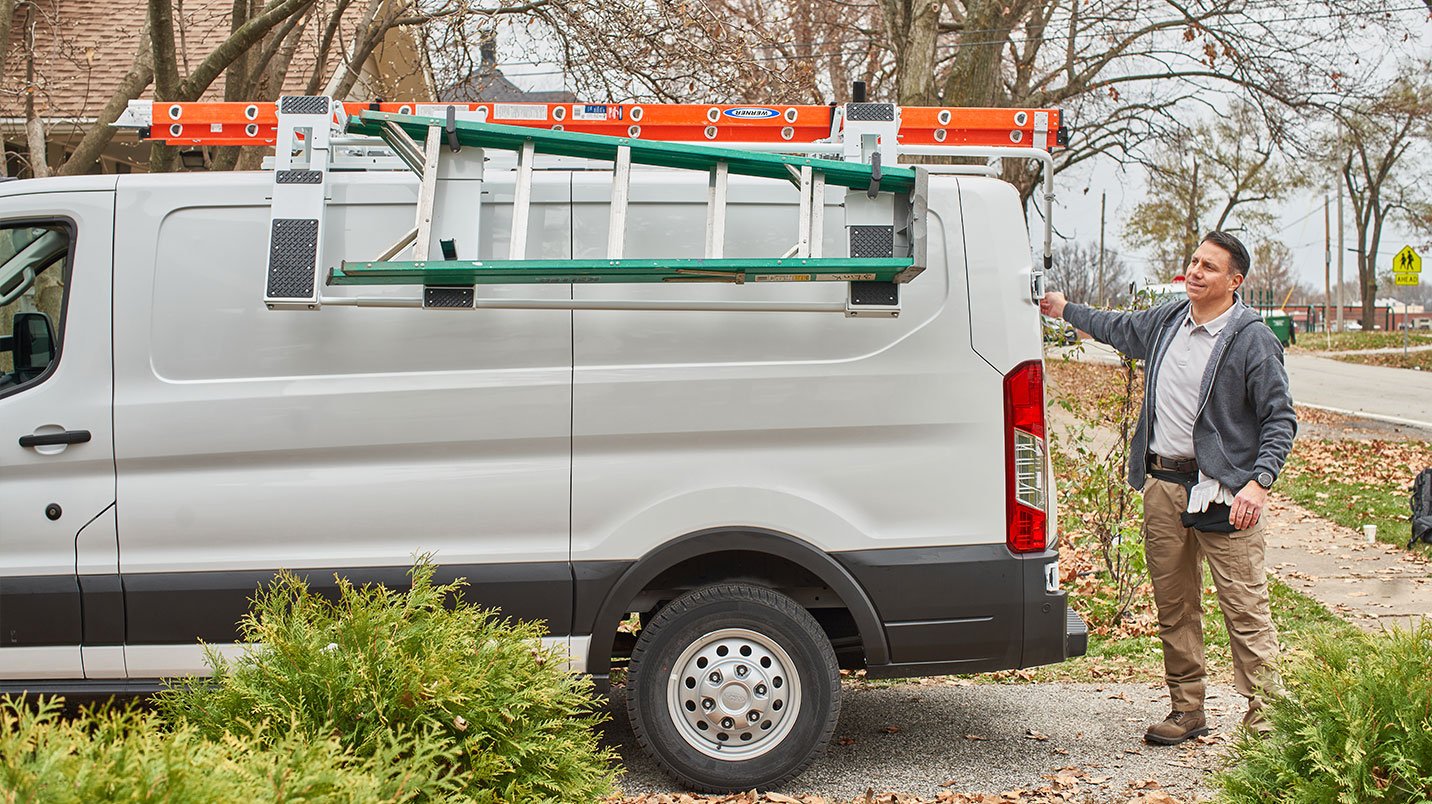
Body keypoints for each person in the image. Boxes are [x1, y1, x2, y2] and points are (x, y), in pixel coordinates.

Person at [1040, 231, 1297, 744]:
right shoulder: (1167, 320)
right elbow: (1115, 326)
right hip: (1162, 484)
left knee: (1244, 609)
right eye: (1194, 261)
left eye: (1209, 266)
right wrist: (1063, 308)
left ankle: (1268, 718)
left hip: (1225, 493)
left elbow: (1279, 419)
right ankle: (1187, 709)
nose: (1195, 271)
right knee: (1174, 606)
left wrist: (1259, 483)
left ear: (1234, 281)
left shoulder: (1252, 338)